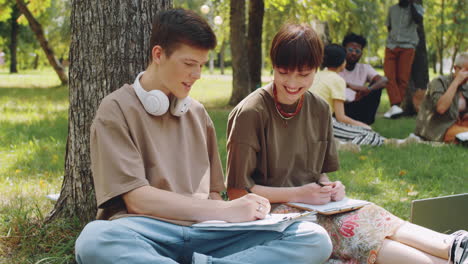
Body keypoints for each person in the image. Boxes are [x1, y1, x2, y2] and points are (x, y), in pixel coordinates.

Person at [74, 9, 333, 264]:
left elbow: (213, 193)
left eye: (201, 65)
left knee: (313, 238)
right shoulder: (115, 110)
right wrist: (225, 210)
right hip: (147, 231)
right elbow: (138, 200)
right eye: (189, 64)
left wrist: (240, 214)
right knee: (94, 239)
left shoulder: (196, 113)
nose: (197, 75)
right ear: (158, 54)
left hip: (208, 231)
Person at [226, 22, 468, 264]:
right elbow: (239, 192)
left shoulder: (319, 108)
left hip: (311, 205)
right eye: (283, 72)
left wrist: (328, 187)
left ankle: (452, 247)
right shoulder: (250, 112)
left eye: (303, 74)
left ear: (316, 70)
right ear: (273, 66)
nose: (292, 82)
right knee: (350, 227)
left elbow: (317, 173)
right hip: (268, 215)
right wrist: (301, 193)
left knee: (370, 212)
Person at [310, 44, 385, 146]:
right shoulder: (337, 80)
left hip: (305, 122)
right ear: (343, 62)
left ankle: (335, 143)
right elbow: (341, 117)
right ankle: (342, 146)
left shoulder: (316, 76)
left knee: (361, 132)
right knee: (371, 135)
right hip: (321, 124)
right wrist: (364, 126)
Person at [415, 52, 468, 143]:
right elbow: (441, 108)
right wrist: (456, 82)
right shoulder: (439, 82)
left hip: (458, 124)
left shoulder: (465, 87)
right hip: (441, 128)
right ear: (455, 68)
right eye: (466, 71)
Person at [383, 0, 424, 119]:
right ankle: (396, 105)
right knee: (388, 76)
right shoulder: (392, 9)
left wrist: (411, 5)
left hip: (408, 47)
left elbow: (418, 20)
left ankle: (395, 107)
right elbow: (389, 27)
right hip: (391, 45)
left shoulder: (417, 9)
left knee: (402, 78)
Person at [339, 33, 388, 125]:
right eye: (350, 50)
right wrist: (351, 86)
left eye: (357, 51)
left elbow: (384, 80)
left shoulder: (364, 68)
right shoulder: (335, 67)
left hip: (358, 105)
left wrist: (368, 90)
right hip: (340, 107)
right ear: (343, 50)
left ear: (361, 53)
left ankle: (365, 124)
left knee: (377, 87)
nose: (353, 53)